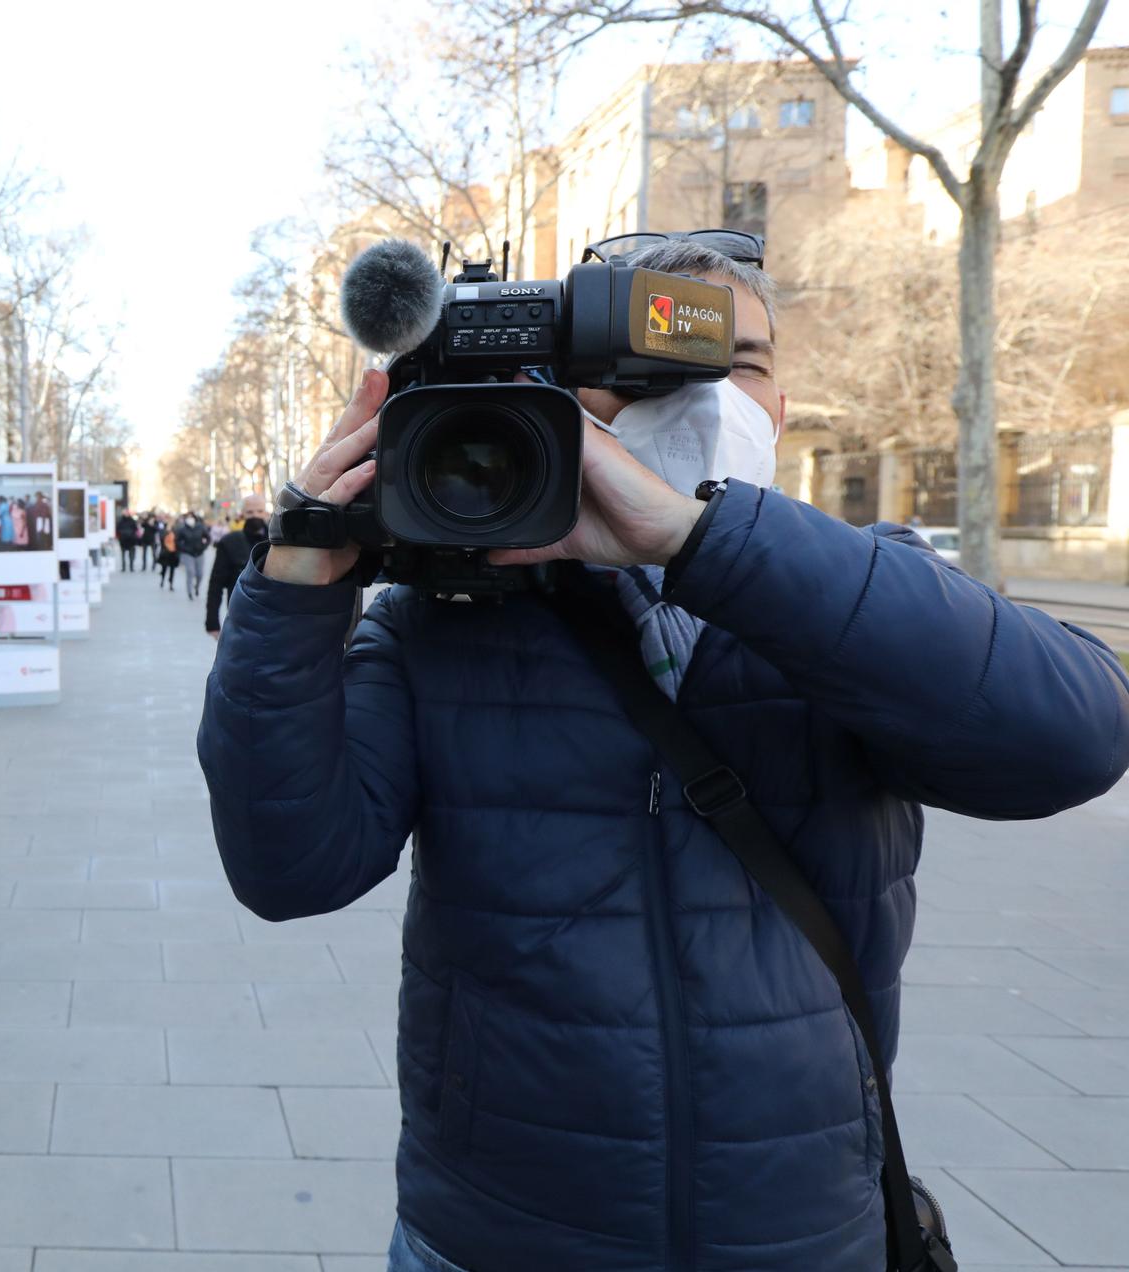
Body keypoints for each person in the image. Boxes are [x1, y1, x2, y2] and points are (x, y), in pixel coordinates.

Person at [198, 240, 1129, 1272]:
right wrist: (294, 586)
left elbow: (1073, 743)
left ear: (779, 405)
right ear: (566, 404)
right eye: (641, 375)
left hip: (801, 1234)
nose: (703, 401)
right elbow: (287, 865)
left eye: (738, 365)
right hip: (495, 1236)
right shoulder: (441, 623)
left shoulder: (865, 599)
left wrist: (709, 547)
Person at [202, 493, 266, 635]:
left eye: (259, 511)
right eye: (250, 512)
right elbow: (216, 584)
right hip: (241, 619)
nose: (255, 515)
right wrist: (212, 622)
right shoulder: (229, 542)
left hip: (274, 619)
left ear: (266, 513)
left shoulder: (279, 541)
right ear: (243, 514)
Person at [173, 509, 210, 599]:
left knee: (200, 574)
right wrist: (183, 549)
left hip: (199, 553)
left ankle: (197, 587)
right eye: (188, 517)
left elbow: (208, 538)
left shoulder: (200, 527)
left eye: (191, 517)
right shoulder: (182, 529)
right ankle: (189, 592)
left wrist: (203, 547)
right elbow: (177, 541)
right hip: (188, 554)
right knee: (190, 572)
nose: (190, 519)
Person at [156, 514, 181, 589]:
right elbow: (161, 539)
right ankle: (162, 580)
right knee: (164, 568)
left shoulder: (176, 530)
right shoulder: (163, 530)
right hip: (165, 553)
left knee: (172, 569)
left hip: (173, 553)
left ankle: (171, 583)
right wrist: (167, 531)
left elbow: (178, 540)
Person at [116, 504, 141, 570]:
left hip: (131, 540)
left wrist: (132, 534)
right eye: (125, 512)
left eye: (127, 512)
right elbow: (118, 529)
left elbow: (135, 529)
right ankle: (123, 567)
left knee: (131, 554)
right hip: (123, 540)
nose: (126, 513)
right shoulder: (120, 521)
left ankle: (131, 566)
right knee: (123, 554)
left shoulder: (132, 521)